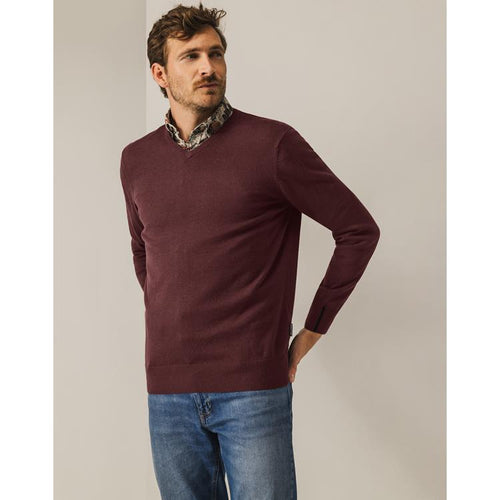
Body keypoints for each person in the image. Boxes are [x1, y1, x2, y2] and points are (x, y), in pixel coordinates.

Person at [119, 3, 381, 499]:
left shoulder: (272, 144)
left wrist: (313, 328)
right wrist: (175, 319)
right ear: (160, 74)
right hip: (167, 392)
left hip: (253, 388)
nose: (208, 67)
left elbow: (357, 230)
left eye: (215, 54)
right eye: (191, 56)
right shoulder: (136, 159)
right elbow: (143, 252)